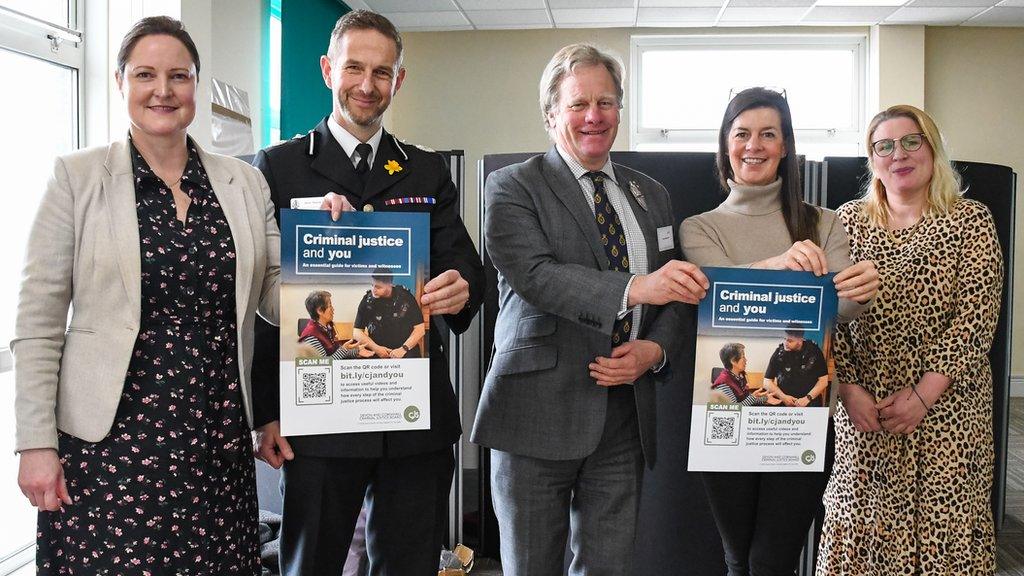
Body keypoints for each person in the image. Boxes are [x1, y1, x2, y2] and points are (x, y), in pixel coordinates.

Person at [12, 16, 285, 574]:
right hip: (111, 447)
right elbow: (38, 322)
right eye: (145, 74)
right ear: (120, 83)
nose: (163, 90)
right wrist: (34, 444)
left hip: (216, 442)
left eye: (178, 76)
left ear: (196, 86)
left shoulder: (243, 182)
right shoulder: (78, 178)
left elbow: (276, 296)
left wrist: (338, 249)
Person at [249, 10, 484, 576]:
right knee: (311, 565)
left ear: (398, 81)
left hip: (412, 417)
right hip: (319, 423)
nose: (367, 84)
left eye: (383, 72)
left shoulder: (427, 171)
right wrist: (265, 412)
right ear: (329, 69)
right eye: (354, 67)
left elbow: (466, 268)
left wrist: (461, 288)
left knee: (408, 565)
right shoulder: (278, 167)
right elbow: (259, 300)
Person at [471, 43, 707, 576]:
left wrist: (654, 349)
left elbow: (679, 288)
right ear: (552, 114)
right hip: (533, 413)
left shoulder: (651, 194)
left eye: (606, 103)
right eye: (578, 104)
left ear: (620, 111)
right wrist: (638, 288)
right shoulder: (512, 186)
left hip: (622, 417)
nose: (594, 116)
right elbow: (536, 277)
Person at [679, 87, 879, 576]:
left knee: (774, 560)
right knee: (736, 558)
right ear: (725, 144)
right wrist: (784, 266)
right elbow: (719, 297)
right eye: (742, 133)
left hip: (802, 420)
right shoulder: (698, 227)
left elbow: (843, 306)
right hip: (725, 419)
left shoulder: (823, 222)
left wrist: (862, 287)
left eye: (769, 134)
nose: (755, 145)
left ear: (785, 145)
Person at [817, 105, 1002, 574]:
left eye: (910, 141)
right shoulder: (846, 222)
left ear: (932, 146)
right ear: (872, 160)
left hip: (948, 411)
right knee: (861, 519)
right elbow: (829, 315)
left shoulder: (971, 221)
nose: (898, 154)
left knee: (946, 526)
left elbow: (975, 318)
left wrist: (924, 395)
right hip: (865, 409)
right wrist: (850, 390)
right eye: (884, 146)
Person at [352, 270, 425, 359]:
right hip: (377, 350)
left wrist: (403, 349)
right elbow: (357, 332)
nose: (373, 290)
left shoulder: (405, 297)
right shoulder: (368, 300)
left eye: (378, 287)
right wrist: (377, 349)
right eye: (372, 285)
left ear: (390, 284)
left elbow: (420, 329)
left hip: (405, 350)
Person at [763, 326, 828, 408]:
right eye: (784, 339)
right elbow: (767, 382)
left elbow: (823, 381)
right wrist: (783, 397)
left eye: (790, 341)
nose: (785, 343)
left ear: (800, 340)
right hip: (784, 400)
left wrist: (807, 398)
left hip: (809, 400)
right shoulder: (779, 352)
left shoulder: (814, 351)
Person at [299, 290, 369, 359]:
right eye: (330, 306)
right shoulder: (311, 336)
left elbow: (335, 353)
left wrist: (356, 352)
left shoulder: (327, 327)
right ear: (320, 310)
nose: (333, 309)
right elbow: (325, 364)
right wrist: (344, 349)